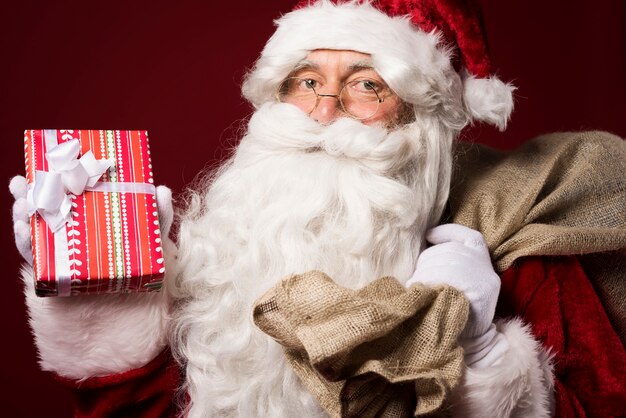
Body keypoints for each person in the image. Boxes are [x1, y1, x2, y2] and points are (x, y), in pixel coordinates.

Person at [10, 0, 626, 417]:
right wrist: (107, 303)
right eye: (306, 80)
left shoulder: (510, 237)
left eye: (366, 84)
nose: (324, 110)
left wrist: (483, 355)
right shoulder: (219, 248)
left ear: (423, 121)